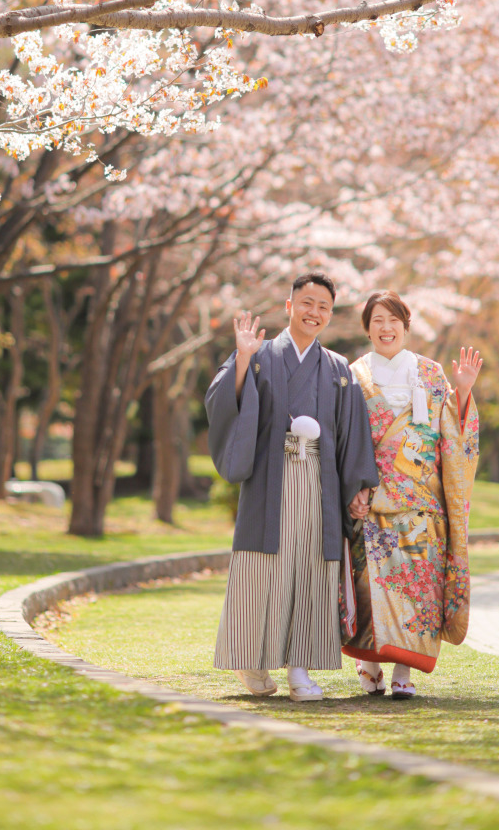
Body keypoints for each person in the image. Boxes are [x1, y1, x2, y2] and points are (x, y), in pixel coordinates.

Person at [206, 272, 378, 702]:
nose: (314, 312)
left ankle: (299, 667)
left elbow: (352, 432)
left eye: (323, 306)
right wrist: (243, 359)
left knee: (309, 570)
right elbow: (223, 399)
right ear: (289, 305)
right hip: (270, 476)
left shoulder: (338, 369)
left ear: (330, 314)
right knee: (261, 569)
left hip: (318, 482)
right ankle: (251, 659)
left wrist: (358, 484)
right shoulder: (261, 355)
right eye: (306, 303)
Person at [343, 291, 482, 700]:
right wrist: (354, 488)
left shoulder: (431, 372)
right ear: (367, 328)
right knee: (371, 589)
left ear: (406, 325)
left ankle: (405, 670)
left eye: (393, 321)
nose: (386, 328)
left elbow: (452, 436)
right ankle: (369, 663)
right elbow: (346, 440)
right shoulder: (354, 375)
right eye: (377, 321)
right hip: (371, 499)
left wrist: (463, 392)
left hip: (422, 503)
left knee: (417, 590)